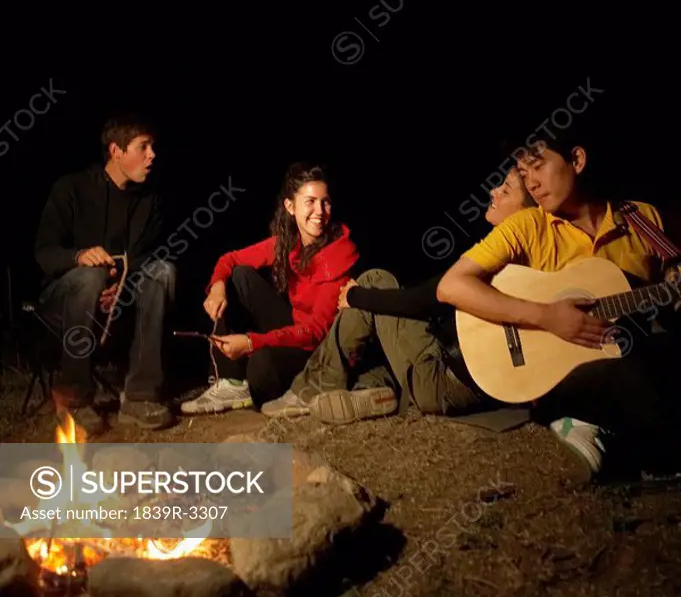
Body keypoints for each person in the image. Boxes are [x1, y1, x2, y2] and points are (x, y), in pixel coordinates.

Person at [435, 131, 681, 480]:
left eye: (536, 167)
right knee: (632, 369)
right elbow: (451, 286)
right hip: (562, 378)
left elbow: (668, 303)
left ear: (577, 160)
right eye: (523, 172)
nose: (530, 183)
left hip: (626, 355)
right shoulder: (528, 226)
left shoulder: (642, 219)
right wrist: (548, 316)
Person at [262, 167, 536, 424]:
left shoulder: (503, 257)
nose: (493, 191)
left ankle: (310, 388)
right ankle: (376, 388)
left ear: (526, 213)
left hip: (441, 380)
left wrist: (357, 297)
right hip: (464, 382)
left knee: (376, 280)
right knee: (384, 341)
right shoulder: (525, 263)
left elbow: (424, 297)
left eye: (506, 189)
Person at [34, 113, 176, 435]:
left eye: (153, 147)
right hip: (63, 300)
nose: (152, 155)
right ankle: (74, 399)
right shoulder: (71, 188)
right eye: (143, 147)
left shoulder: (149, 201)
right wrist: (78, 256)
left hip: (116, 303)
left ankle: (140, 396)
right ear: (116, 151)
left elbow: (147, 258)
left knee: (163, 272)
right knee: (89, 276)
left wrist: (120, 284)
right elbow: (43, 253)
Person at [180, 162, 359, 414]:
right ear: (290, 206)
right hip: (294, 329)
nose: (320, 211)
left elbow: (316, 332)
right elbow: (229, 259)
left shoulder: (339, 254)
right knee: (239, 275)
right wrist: (217, 287)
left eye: (325, 202)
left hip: (317, 350)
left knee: (261, 364)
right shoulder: (288, 243)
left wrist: (253, 342)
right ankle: (228, 383)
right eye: (310, 201)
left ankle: (270, 390)